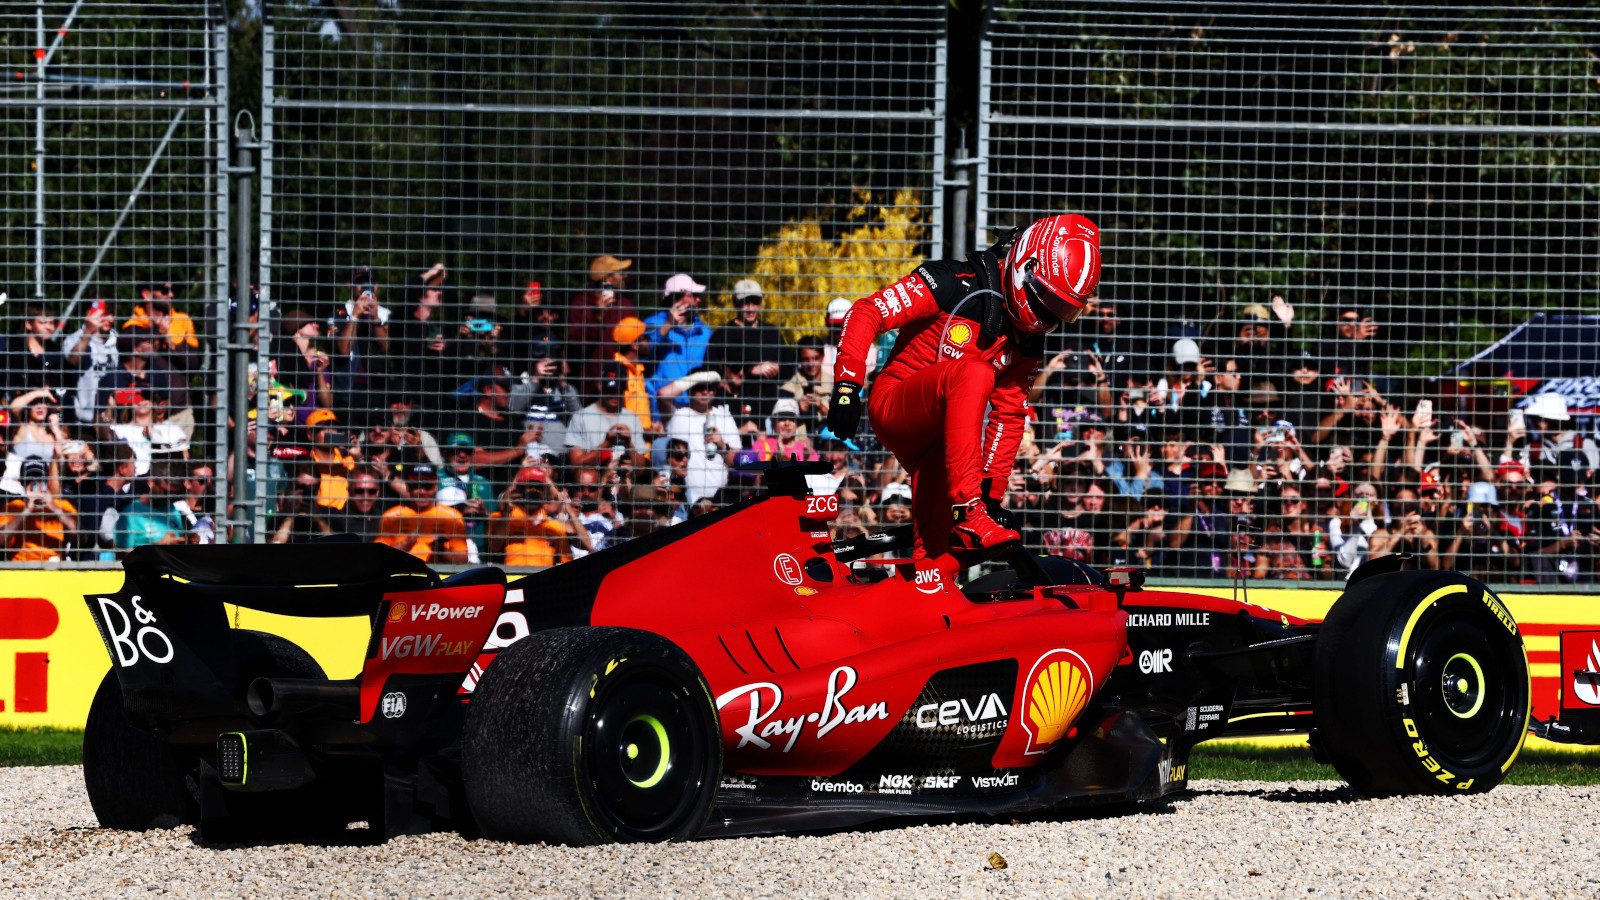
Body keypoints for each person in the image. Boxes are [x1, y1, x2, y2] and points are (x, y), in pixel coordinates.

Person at [826, 213, 1102, 575]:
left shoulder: (1030, 339)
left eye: (1063, 310)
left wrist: (992, 494)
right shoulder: (951, 283)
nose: (1048, 314)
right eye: (1047, 300)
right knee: (974, 373)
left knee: (938, 559)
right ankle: (968, 510)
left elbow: (1009, 413)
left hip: (943, 447)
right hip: (895, 406)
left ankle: (929, 590)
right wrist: (848, 385)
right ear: (1026, 266)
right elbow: (867, 311)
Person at [666, 374, 742, 503]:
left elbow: (736, 463)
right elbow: (663, 394)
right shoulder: (679, 415)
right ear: (690, 387)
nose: (705, 391)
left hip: (719, 498)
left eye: (710, 387)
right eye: (700, 387)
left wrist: (722, 445)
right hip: (686, 498)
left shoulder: (725, 415)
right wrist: (703, 376)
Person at [644, 274, 714, 412]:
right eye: (693, 295)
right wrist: (669, 324)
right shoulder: (653, 323)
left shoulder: (705, 332)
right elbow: (642, 353)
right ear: (677, 297)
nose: (698, 299)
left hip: (696, 410)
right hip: (661, 410)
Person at [375, 464, 468, 564]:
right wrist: (406, 544)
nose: (422, 492)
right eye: (416, 486)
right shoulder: (391, 516)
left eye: (427, 486)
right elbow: (378, 557)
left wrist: (440, 549)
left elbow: (462, 560)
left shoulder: (452, 517)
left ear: (436, 487)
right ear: (407, 487)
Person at [570, 255, 639, 375]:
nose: (625, 276)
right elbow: (578, 347)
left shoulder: (626, 305)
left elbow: (635, 341)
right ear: (608, 278)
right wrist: (599, 315)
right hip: (592, 381)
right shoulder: (582, 303)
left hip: (624, 380)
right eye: (621, 273)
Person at [0, 458, 77, 561]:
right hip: (21, 567)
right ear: (22, 483)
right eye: (29, 481)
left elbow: (81, 538)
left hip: (54, 566)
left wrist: (53, 507)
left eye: (40, 480)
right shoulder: (13, 507)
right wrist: (26, 511)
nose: (35, 485)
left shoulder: (62, 506)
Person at [61, 300, 118, 425]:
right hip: (82, 422)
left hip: (110, 420)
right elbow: (72, 362)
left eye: (112, 314)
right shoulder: (75, 339)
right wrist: (88, 332)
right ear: (90, 314)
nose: (111, 319)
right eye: (105, 314)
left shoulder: (117, 342)